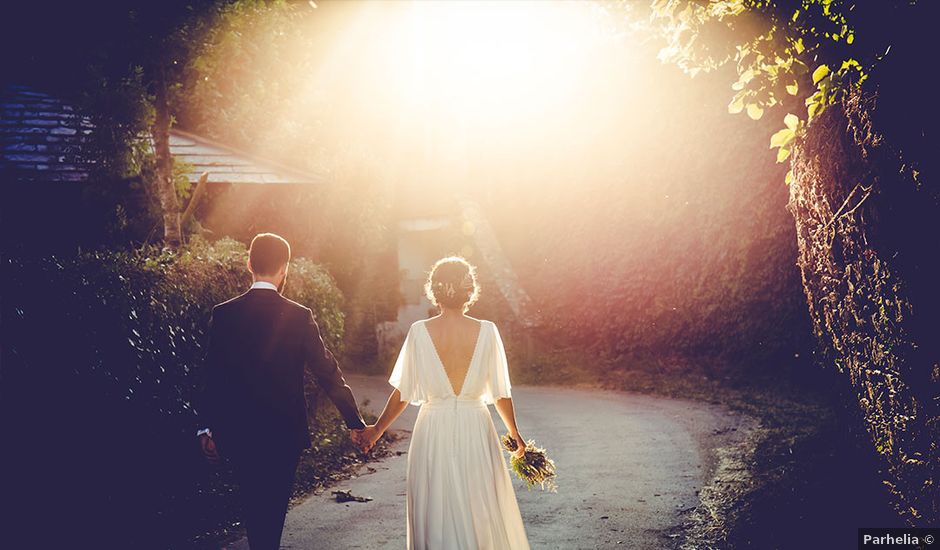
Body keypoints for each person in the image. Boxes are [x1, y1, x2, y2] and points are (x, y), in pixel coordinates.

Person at [196, 232, 368, 550]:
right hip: (283, 433)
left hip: (239, 430)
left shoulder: (225, 314)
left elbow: (213, 374)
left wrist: (207, 427)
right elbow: (327, 372)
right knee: (272, 510)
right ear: (284, 268)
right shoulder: (299, 317)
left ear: (249, 264)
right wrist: (354, 422)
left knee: (252, 505)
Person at [358, 256, 531, 549]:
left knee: (434, 507)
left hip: (432, 431)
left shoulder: (419, 332)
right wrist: (515, 434)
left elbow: (403, 393)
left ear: (434, 291)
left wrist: (375, 431)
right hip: (476, 428)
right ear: (469, 290)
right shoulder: (488, 331)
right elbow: (501, 393)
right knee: (479, 508)